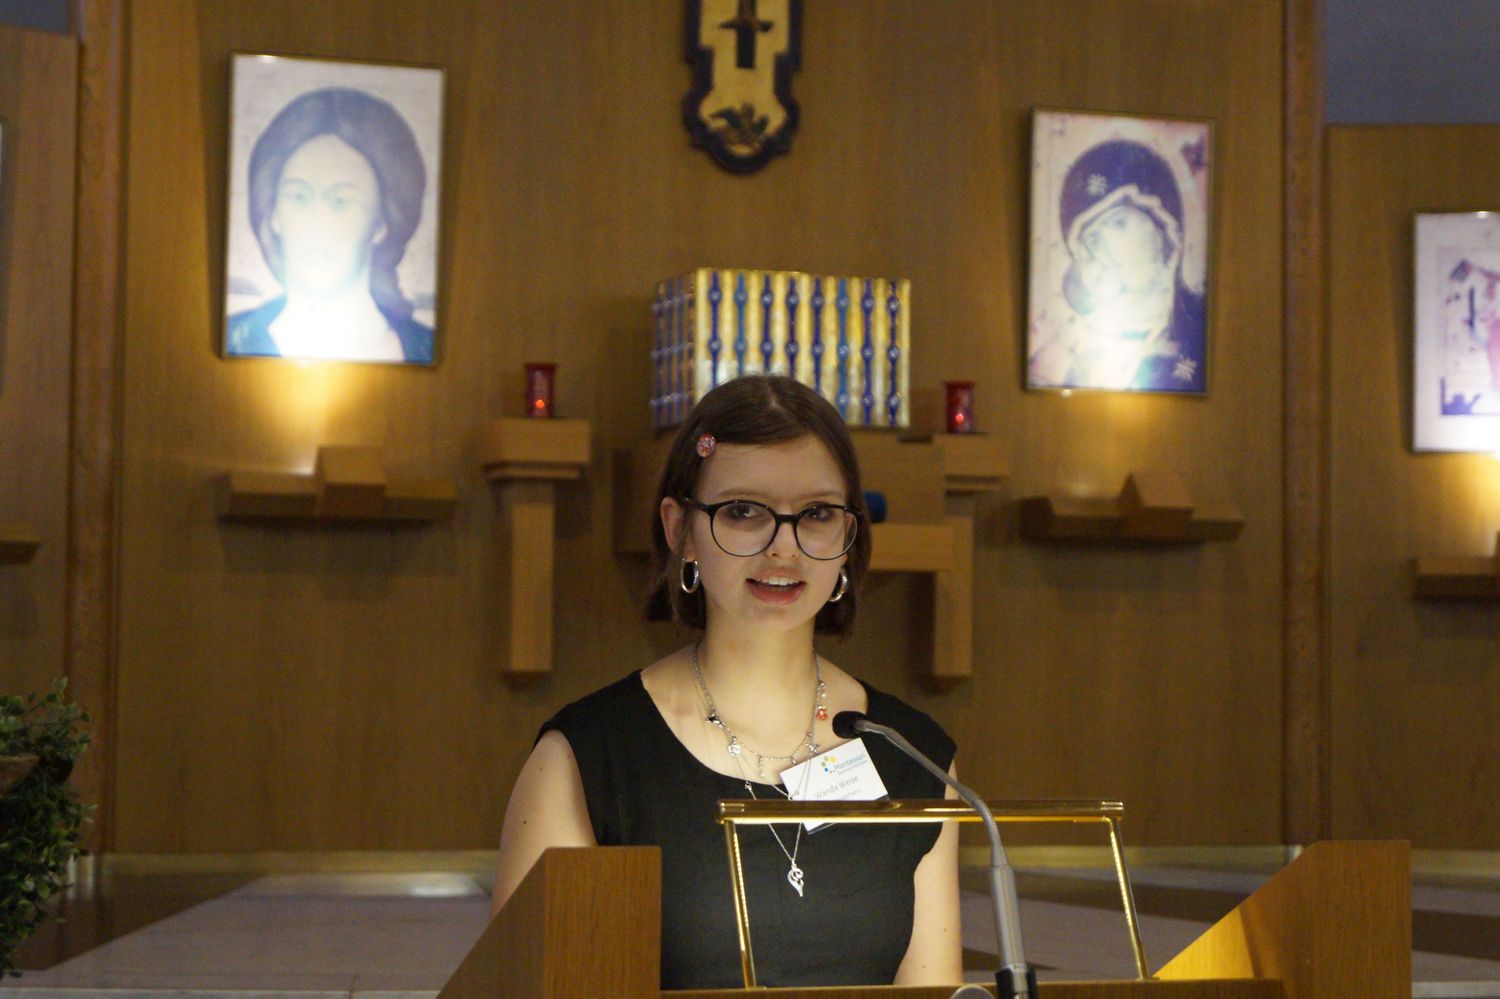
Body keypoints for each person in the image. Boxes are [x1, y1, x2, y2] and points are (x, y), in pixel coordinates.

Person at [492, 375, 962, 989]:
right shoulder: (586, 758)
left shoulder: (912, 756)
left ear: (849, 536)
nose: (783, 549)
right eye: (743, 511)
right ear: (679, 530)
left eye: (816, 514)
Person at [225, 87, 434, 364]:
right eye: (299, 197)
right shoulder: (233, 338)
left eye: (340, 202)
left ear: (381, 224)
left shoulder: (424, 349)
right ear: (273, 214)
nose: (316, 225)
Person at [1030, 138, 1207, 392]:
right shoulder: (1076, 354)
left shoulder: (1198, 326)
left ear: (1163, 228)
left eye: (1119, 223)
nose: (1108, 250)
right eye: (1093, 239)